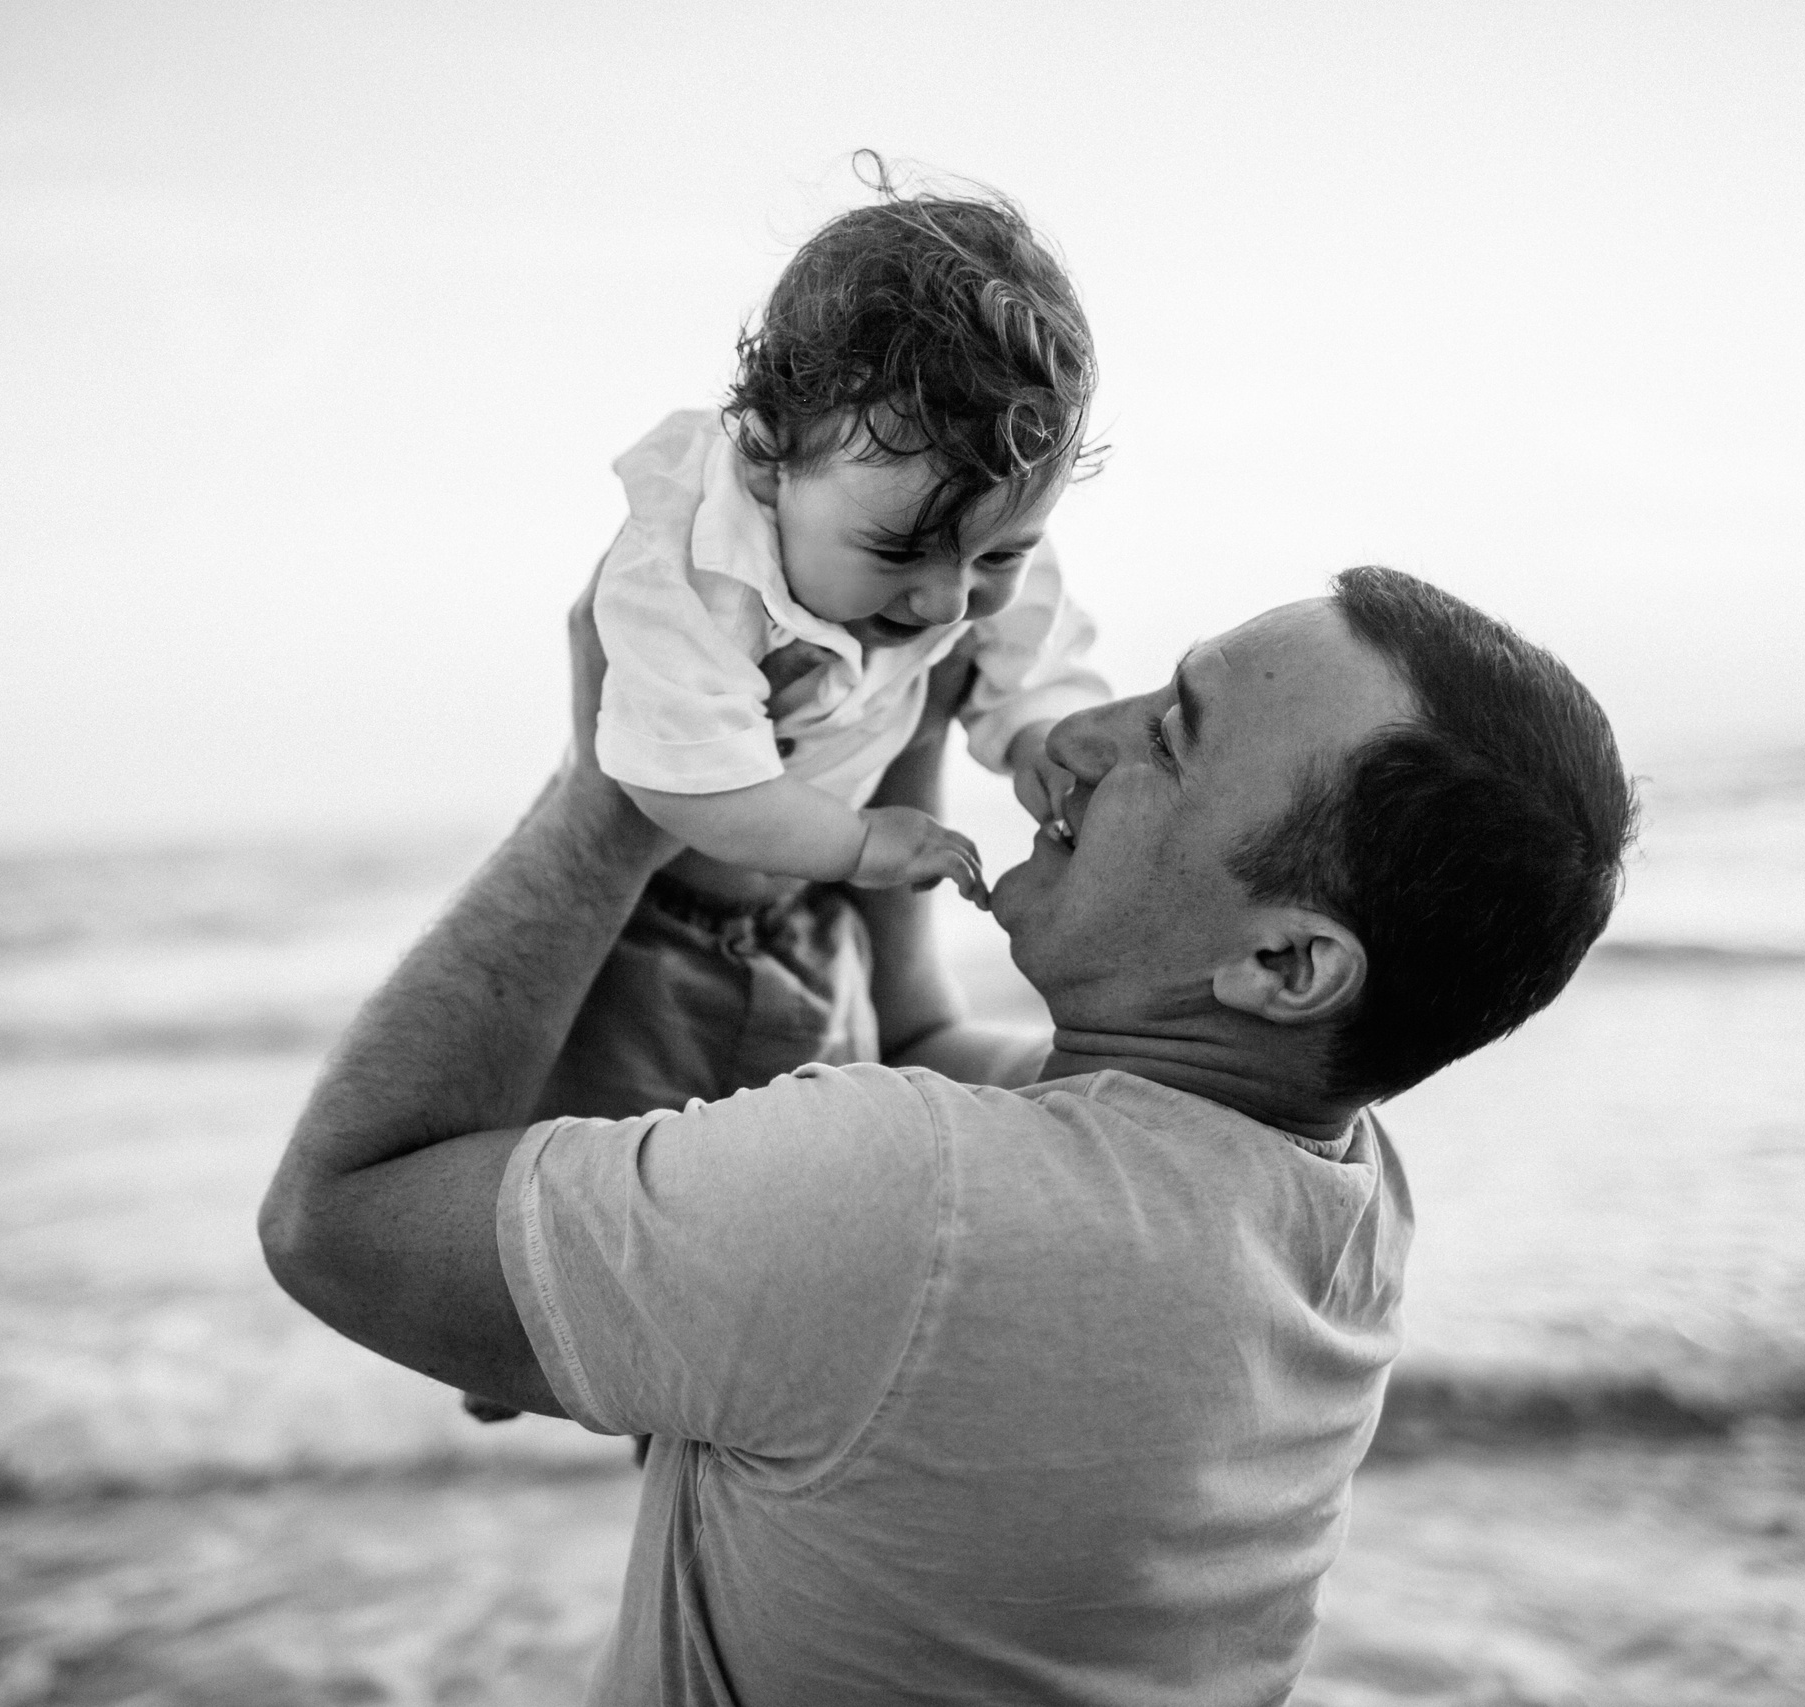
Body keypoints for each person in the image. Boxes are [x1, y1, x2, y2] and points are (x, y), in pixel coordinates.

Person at [260, 565, 1637, 1704]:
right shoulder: (1335, 1180)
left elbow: (337, 1216)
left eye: (1170, 737)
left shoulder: (918, 1211)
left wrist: (618, 799)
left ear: (1284, 965)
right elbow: (924, 1048)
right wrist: (907, 695)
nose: (1078, 736)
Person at [551, 171, 1110, 1127]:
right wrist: (859, 843)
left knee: (814, 1168)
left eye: (1000, 553)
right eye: (898, 551)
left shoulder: (968, 533)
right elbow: (678, 780)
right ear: (768, 460)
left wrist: (1042, 750)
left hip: (815, 922)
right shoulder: (692, 557)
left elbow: (1032, 668)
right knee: (633, 1179)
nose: (947, 599)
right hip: (655, 942)